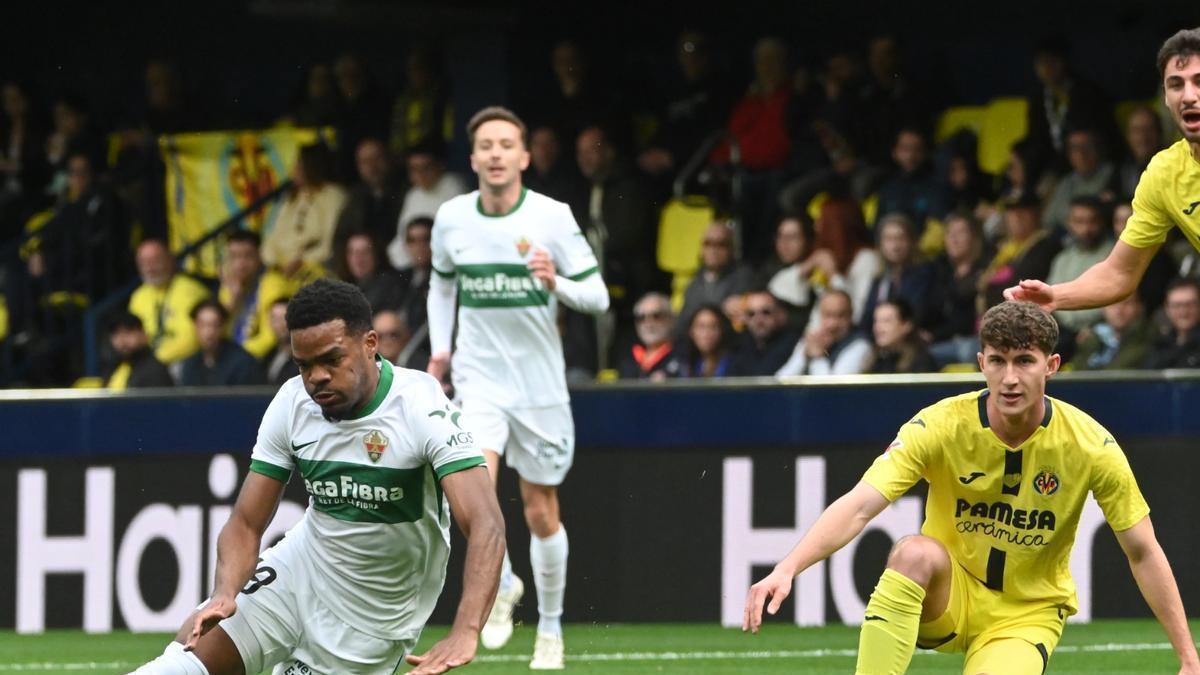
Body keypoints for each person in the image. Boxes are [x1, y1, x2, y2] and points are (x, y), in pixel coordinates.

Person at [745, 301, 1200, 675]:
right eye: (998, 361)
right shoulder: (940, 424)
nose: (1010, 378)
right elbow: (862, 504)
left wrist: (1187, 656)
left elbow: (1142, 551)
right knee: (913, 552)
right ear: (981, 363)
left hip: (1027, 614)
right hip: (951, 592)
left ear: (1052, 365)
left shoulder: (1092, 446)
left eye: (1025, 361)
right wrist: (788, 567)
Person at [130, 279, 505, 675]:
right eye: (304, 365)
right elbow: (245, 522)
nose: (316, 377)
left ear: (370, 343)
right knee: (183, 664)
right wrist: (224, 592)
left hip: (374, 618)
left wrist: (466, 628)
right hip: (299, 571)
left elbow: (486, 523)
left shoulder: (422, 407)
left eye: (331, 359)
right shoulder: (293, 404)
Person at [426, 106, 609, 669]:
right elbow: (440, 285)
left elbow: (598, 297)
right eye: (486, 145)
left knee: (538, 511)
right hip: (480, 381)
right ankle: (502, 581)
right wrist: (441, 350)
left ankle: (550, 628)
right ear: (474, 157)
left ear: (524, 157)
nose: (497, 153)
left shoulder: (552, 217)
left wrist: (558, 282)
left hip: (540, 388)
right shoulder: (452, 218)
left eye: (507, 144)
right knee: (468, 493)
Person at [1006, 28, 1200, 312]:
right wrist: (1057, 296)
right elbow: (1118, 273)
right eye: (1176, 85)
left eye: (1199, 81)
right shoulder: (1164, 173)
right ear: (1165, 98)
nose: (1188, 96)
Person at [128, 239, 211, 366]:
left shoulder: (191, 290)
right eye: (144, 262)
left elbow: (193, 339)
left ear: (170, 260)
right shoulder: (138, 297)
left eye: (155, 260)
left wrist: (156, 360)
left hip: (185, 362)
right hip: (148, 364)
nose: (150, 267)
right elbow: (132, 336)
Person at [218, 231, 292, 360]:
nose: (241, 263)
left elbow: (271, 337)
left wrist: (235, 357)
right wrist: (232, 303)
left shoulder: (273, 283)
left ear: (259, 255)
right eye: (234, 257)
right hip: (235, 358)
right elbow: (216, 333)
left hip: (264, 359)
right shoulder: (229, 285)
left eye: (247, 256)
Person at [776, 289, 872, 377]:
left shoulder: (861, 344)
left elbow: (834, 390)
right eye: (828, 315)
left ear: (851, 315)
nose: (833, 324)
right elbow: (781, 380)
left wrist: (817, 357)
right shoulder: (814, 338)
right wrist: (804, 355)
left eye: (840, 316)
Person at [179, 300, 265, 387]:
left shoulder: (243, 363)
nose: (208, 332)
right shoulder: (190, 364)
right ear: (195, 327)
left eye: (214, 325)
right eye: (202, 325)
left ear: (223, 327)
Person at [1069, 293, 1154, 371]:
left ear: (1139, 307)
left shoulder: (1149, 340)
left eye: (1127, 303)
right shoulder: (1090, 338)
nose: (1119, 310)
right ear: (1103, 307)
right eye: (1112, 303)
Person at [727, 289, 801, 377]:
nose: (758, 319)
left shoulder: (794, 343)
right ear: (745, 318)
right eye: (751, 313)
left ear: (780, 314)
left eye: (766, 312)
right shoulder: (740, 345)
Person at [103, 311, 173, 390]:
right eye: (116, 334)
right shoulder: (113, 368)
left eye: (128, 333)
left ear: (144, 335)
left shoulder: (154, 370)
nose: (121, 340)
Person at [618, 292, 678, 380]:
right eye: (641, 318)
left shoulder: (683, 357)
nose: (648, 323)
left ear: (670, 320)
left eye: (656, 316)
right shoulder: (628, 361)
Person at [669, 304, 736, 378]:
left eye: (713, 326)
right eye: (701, 326)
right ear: (691, 332)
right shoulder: (683, 364)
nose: (706, 333)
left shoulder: (735, 364)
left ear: (722, 330)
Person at [869, 299, 935, 374]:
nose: (878, 328)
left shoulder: (921, 361)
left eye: (886, 321)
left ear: (906, 325)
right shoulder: (876, 360)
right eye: (876, 321)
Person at [1147, 278, 1200, 369]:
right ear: (1167, 308)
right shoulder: (1159, 344)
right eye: (1177, 305)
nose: (1183, 311)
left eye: (1189, 304)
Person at [260, 297, 294, 388]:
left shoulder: (303, 358)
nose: (279, 324)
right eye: (274, 319)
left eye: (283, 318)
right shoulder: (269, 355)